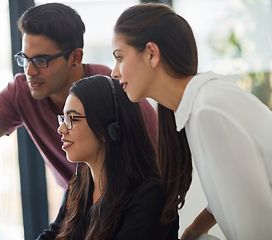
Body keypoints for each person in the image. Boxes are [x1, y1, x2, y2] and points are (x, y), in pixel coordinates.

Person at [111, 2, 272, 240]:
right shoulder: (199, 105)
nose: (114, 72)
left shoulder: (208, 110)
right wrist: (195, 230)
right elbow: (232, 190)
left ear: (152, 54)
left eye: (119, 57)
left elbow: (258, 229)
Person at [0, 3, 158, 190]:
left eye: (41, 60)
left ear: (75, 57)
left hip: (129, 202)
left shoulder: (113, 89)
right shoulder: (22, 91)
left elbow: (160, 156)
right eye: (25, 59)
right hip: (77, 205)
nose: (30, 71)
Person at [36, 75, 179, 240]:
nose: (61, 129)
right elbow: (53, 234)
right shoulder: (81, 182)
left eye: (72, 119)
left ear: (108, 129)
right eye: (63, 118)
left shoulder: (150, 195)